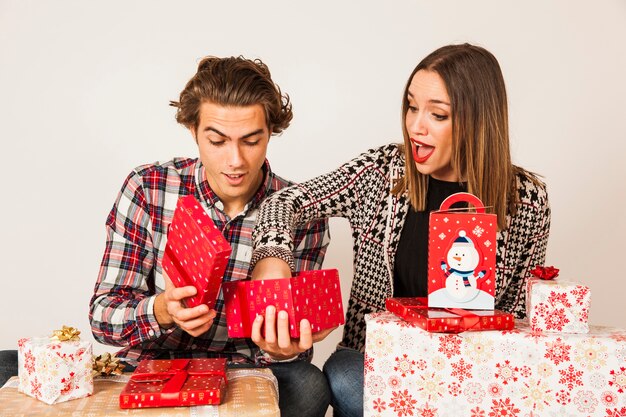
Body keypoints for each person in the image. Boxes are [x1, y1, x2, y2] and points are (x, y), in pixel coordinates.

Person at [249, 43, 551, 417]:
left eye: (437, 114)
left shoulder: (526, 201)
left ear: (478, 121)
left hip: (471, 376)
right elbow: (285, 202)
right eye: (411, 107)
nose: (415, 126)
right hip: (375, 364)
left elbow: (521, 317)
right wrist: (273, 259)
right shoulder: (381, 172)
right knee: (344, 376)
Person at [88, 56, 331, 417]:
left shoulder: (302, 208)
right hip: (154, 363)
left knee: (308, 384)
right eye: (217, 140)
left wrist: (285, 346)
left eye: (252, 140)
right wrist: (162, 310)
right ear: (192, 130)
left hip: (248, 367)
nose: (235, 160)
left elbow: (293, 338)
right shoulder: (149, 188)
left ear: (270, 132)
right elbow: (102, 315)